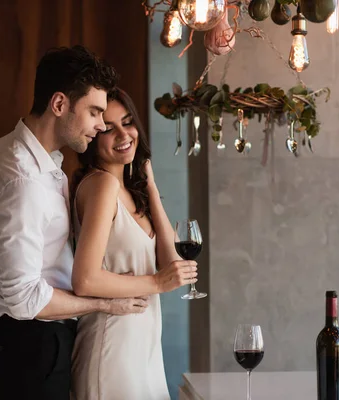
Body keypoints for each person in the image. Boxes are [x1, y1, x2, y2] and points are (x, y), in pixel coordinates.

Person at [0, 45, 149, 400]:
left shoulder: (27, 155)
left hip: (34, 345)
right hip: (31, 348)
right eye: (95, 112)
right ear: (59, 105)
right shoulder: (22, 180)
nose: (101, 126)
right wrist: (104, 304)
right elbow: (26, 301)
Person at [70, 88, 198, 400]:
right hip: (112, 348)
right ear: (93, 138)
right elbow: (84, 280)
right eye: (108, 128)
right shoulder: (101, 185)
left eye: (127, 123)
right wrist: (155, 281)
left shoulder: (128, 189)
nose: (124, 134)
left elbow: (172, 269)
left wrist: (150, 186)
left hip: (144, 349)